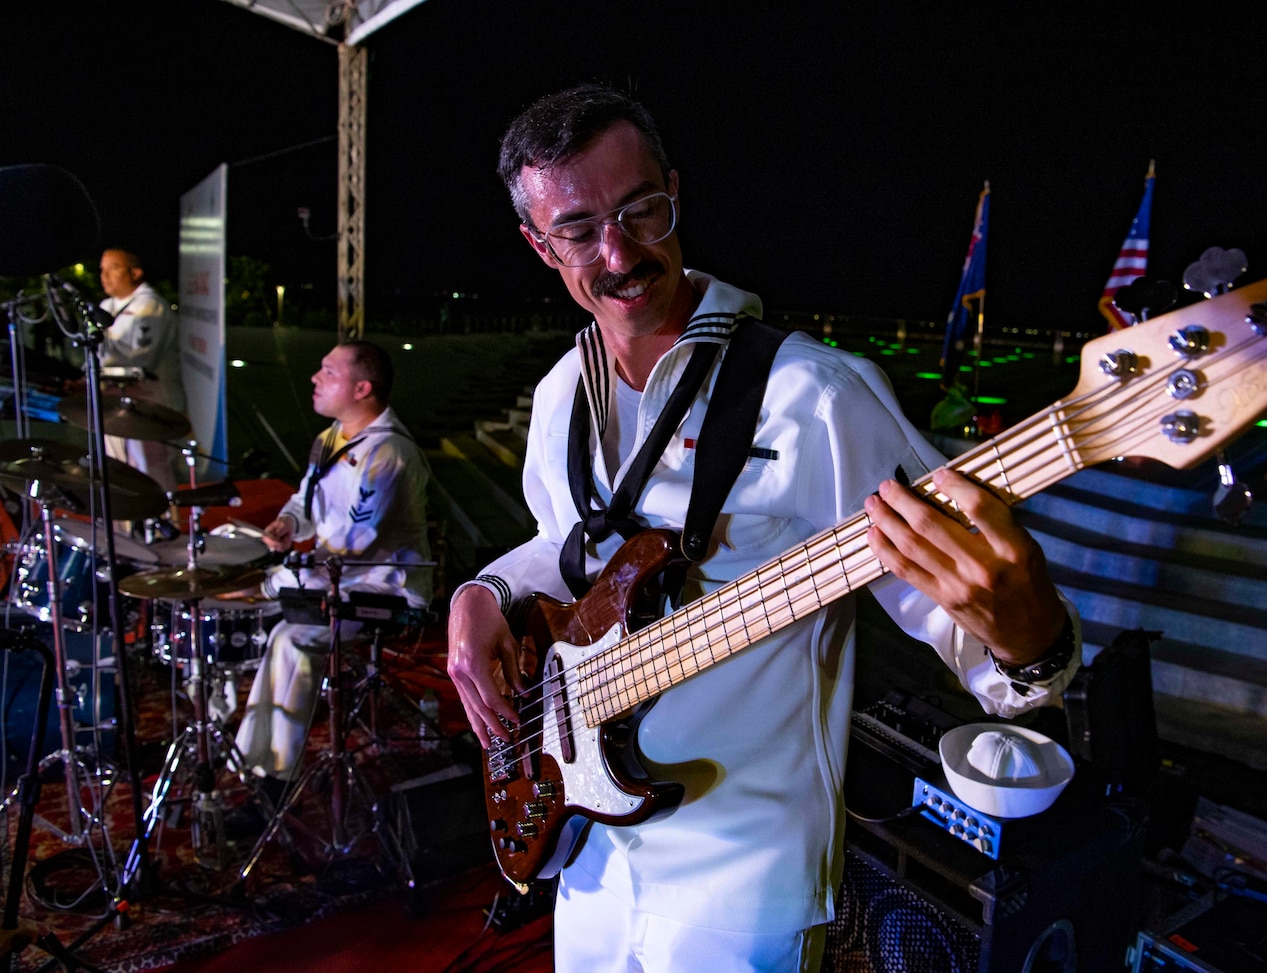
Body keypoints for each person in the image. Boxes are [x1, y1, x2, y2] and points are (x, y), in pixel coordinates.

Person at [446, 85, 1079, 972]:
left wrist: (1028, 638)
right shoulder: (560, 397)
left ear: (677, 192)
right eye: (581, 229)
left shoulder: (814, 394)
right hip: (592, 846)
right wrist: (485, 592)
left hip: (742, 875)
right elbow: (569, 546)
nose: (620, 252)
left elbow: (974, 634)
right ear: (539, 246)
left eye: (641, 210)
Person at [228, 340, 431, 800]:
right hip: (343, 575)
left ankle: (274, 778)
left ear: (362, 388)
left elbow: (352, 547)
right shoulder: (329, 439)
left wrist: (278, 580)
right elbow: (306, 500)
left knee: (295, 638)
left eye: (327, 372)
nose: (314, 379)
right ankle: (255, 766)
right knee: (284, 633)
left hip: (388, 588)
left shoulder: (388, 456)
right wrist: (288, 522)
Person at [97, 247, 187, 492]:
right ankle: (125, 528)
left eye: (113, 269)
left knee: (151, 470)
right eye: (102, 269)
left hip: (151, 405)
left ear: (135, 273)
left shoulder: (151, 307)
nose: (105, 276)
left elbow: (141, 363)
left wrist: (98, 380)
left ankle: (160, 526)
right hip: (115, 405)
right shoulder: (106, 306)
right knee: (116, 470)